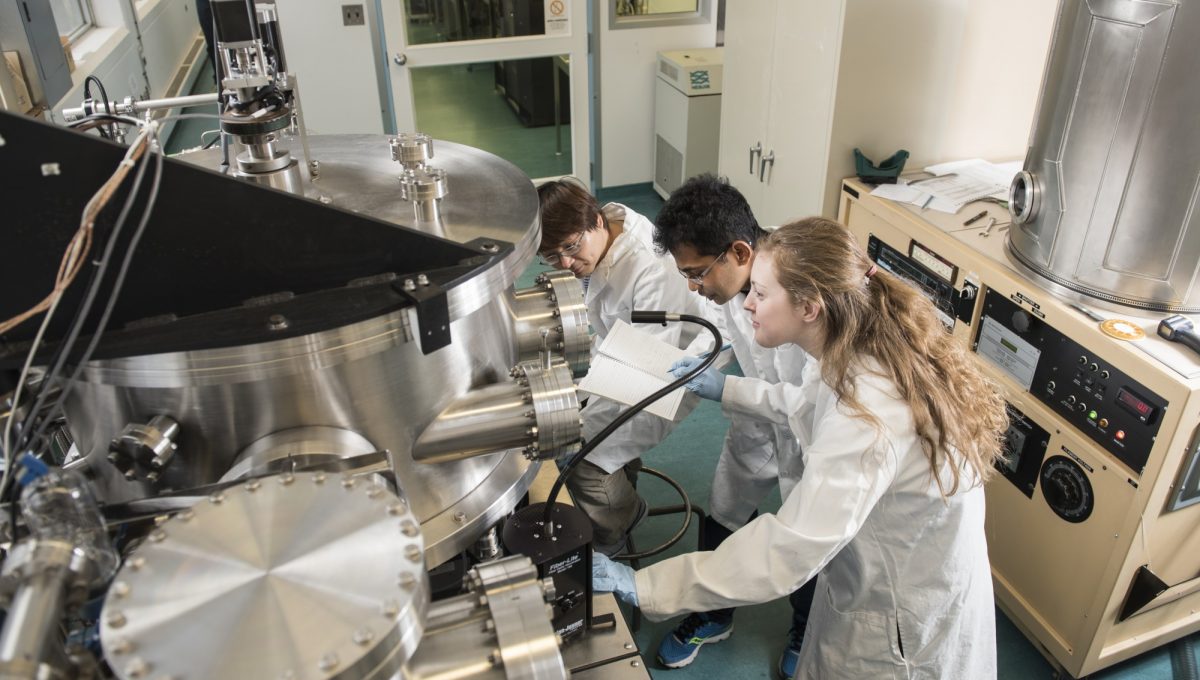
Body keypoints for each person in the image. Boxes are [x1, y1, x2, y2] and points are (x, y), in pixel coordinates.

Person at [594, 216, 1007, 679]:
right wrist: (724, 389)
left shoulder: (868, 411)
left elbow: (790, 547)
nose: (747, 303)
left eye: (762, 293)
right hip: (885, 573)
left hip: (897, 623)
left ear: (809, 307)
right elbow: (804, 402)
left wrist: (643, 584)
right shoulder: (852, 345)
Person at [652, 174, 814, 675]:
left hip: (810, 436)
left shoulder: (805, 292)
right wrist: (682, 364)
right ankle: (714, 613)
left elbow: (808, 401)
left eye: (697, 272)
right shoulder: (727, 285)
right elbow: (718, 335)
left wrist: (727, 389)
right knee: (723, 508)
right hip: (756, 421)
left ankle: (805, 629)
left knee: (807, 532)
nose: (693, 286)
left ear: (740, 252)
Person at [536, 178, 711, 556]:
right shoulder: (603, 235)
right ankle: (619, 485)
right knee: (583, 428)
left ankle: (619, 523)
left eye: (570, 247)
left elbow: (650, 365)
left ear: (596, 222)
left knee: (577, 455)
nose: (565, 264)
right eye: (551, 256)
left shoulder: (647, 265)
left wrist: (575, 399)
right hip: (628, 359)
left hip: (669, 374)